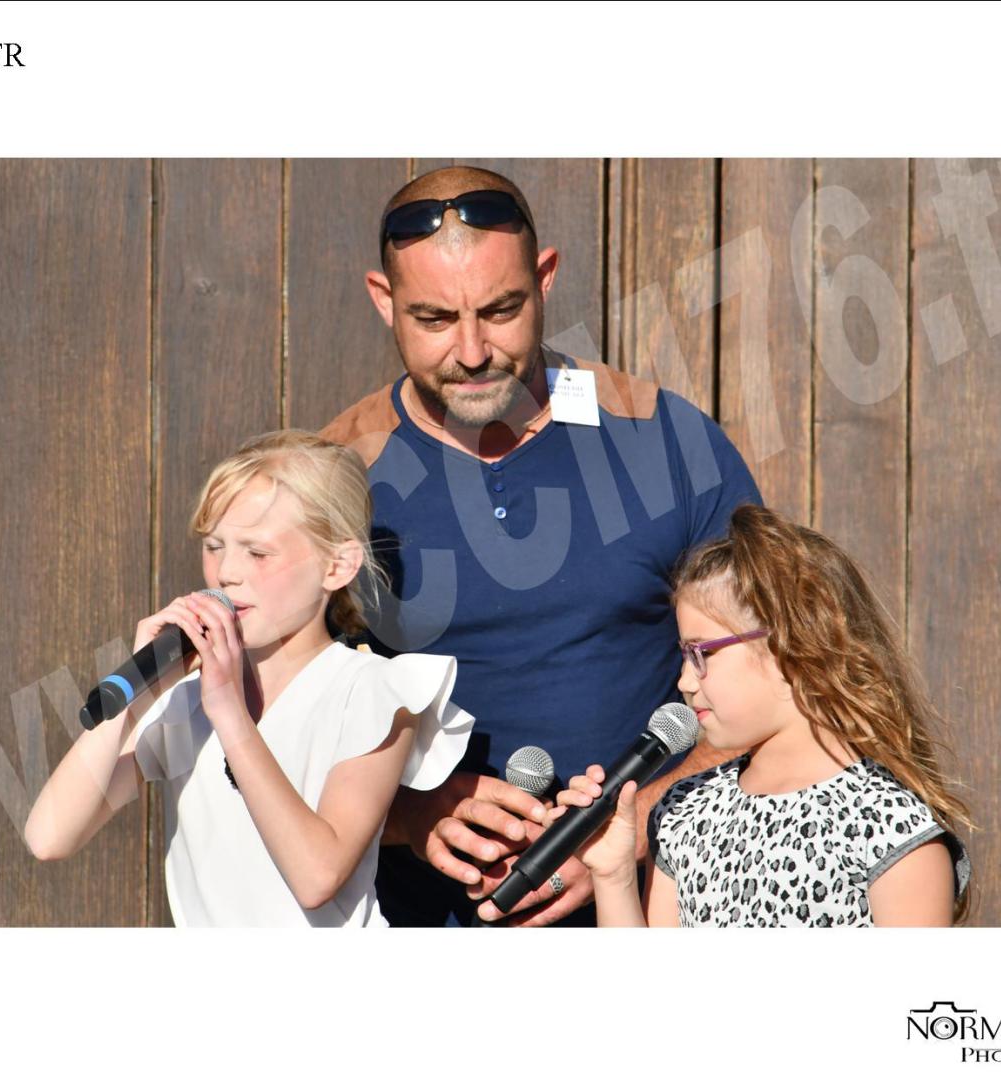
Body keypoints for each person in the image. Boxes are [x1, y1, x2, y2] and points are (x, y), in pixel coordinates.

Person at [319, 165, 763, 926]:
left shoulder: (666, 440)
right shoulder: (332, 479)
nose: (470, 351)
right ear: (383, 300)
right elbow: (268, 727)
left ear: (545, 278)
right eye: (433, 319)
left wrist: (635, 830)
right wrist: (408, 813)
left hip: (652, 910)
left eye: (500, 310)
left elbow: (782, 679)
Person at [23, 430, 473, 926]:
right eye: (214, 546)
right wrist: (140, 693)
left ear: (337, 565)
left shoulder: (373, 693)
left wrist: (230, 713)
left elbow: (318, 876)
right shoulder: (186, 700)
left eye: (258, 553)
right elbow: (49, 837)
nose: (227, 573)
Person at [541, 503, 974, 927]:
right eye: (683, 656)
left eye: (701, 653)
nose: (685, 681)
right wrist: (613, 876)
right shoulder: (683, 813)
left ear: (790, 643)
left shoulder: (887, 828)